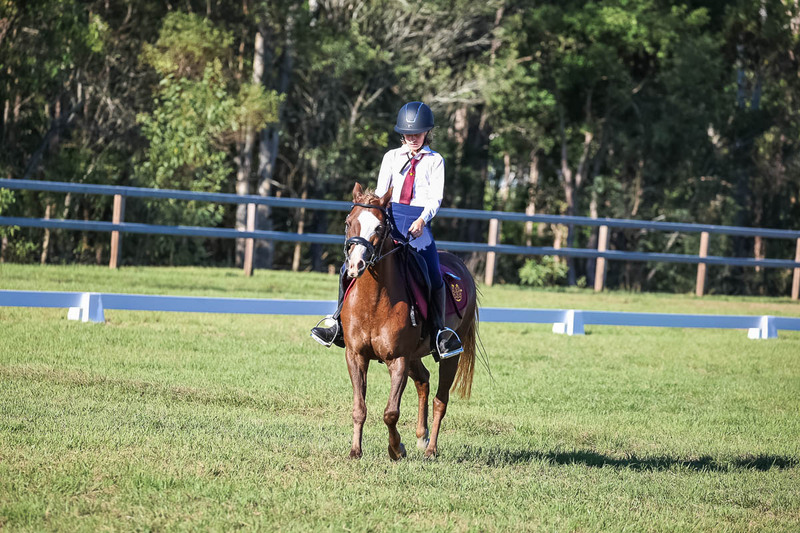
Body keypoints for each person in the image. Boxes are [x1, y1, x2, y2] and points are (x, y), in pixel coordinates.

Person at [310, 101, 463, 359]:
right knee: (351, 265)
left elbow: (435, 198)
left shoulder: (435, 161)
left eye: (418, 133)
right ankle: (336, 323)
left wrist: (423, 220)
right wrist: (375, 218)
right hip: (389, 220)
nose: (413, 138)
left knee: (433, 273)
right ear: (401, 134)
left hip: (418, 225)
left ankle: (439, 334)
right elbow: (382, 192)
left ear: (427, 132)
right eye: (408, 134)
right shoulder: (391, 157)